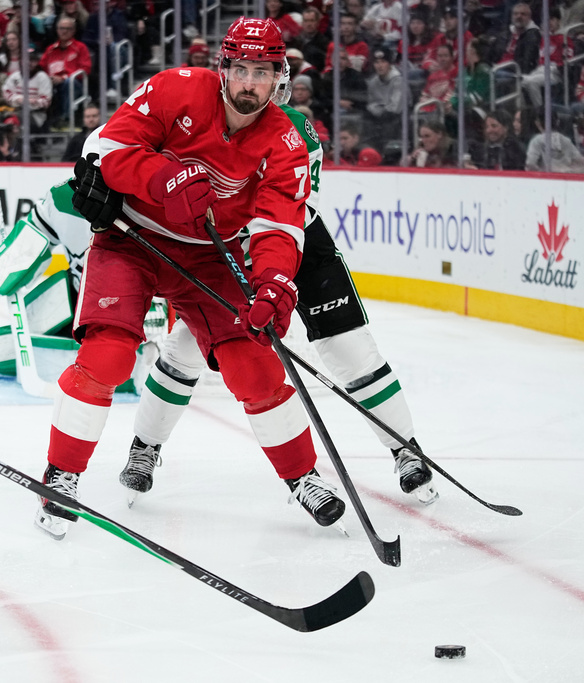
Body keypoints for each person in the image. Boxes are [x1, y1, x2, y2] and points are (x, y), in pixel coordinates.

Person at [34, 18, 348, 541]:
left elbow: (278, 227)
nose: (251, 83)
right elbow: (108, 150)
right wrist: (160, 177)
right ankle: (61, 475)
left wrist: (272, 283)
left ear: (279, 79)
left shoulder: (286, 141)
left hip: (208, 257)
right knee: (108, 356)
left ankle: (303, 476)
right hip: (131, 237)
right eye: (242, 69)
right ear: (223, 68)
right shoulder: (176, 88)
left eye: (263, 73)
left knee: (255, 365)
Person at [67, 106, 437, 510]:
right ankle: (146, 447)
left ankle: (406, 449)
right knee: (187, 348)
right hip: (226, 248)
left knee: (349, 347)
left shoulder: (292, 131)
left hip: (291, 240)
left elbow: (285, 215)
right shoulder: (208, 116)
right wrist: (96, 170)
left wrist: (272, 285)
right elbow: (115, 136)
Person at [40, 16, 91, 128]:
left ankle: (65, 117)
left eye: (68, 28)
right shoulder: (50, 49)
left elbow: (85, 69)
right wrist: (48, 79)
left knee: (68, 83)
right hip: (52, 83)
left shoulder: (80, 47)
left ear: (73, 31)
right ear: (57, 30)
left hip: (74, 83)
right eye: (61, 28)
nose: (64, 31)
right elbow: (41, 68)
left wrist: (63, 78)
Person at [2, 47, 53, 133]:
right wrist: (19, 99)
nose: (29, 63)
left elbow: (46, 101)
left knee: (16, 119)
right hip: (14, 110)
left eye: (32, 60)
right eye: (26, 59)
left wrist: (30, 102)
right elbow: (6, 93)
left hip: (35, 115)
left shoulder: (42, 77)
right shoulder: (15, 76)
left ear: (37, 62)